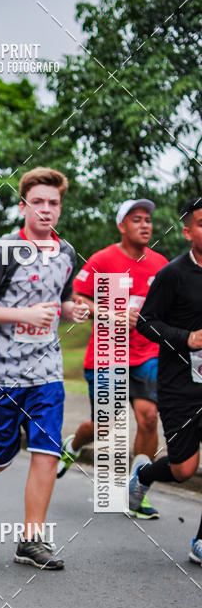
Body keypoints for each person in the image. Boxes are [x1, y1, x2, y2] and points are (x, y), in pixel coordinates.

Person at [0, 166, 90, 570]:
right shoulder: (4, 251)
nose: (46, 210)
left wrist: (73, 309)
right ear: (23, 205)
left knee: (47, 452)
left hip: (46, 371)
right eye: (38, 202)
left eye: (54, 203)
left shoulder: (66, 253)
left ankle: (31, 540)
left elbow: (61, 301)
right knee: (2, 454)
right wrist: (24, 312)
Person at [56, 199, 168, 519]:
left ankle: (136, 491)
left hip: (147, 353)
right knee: (107, 426)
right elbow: (76, 298)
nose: (145, 225)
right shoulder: (103, 259)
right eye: (137, 220)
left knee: (148, 417)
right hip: (107, 353)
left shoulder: (160, 263)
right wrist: (113, 313)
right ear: (122, 226)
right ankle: (73, 445)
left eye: (148, 220)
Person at [129, 196, 202, 562]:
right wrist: (186, 339)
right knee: (184, 468)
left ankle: (200, 541)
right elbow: (145, 322)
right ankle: (144, 474)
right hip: (180, 387)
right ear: (188, 231)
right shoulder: (173, 274)